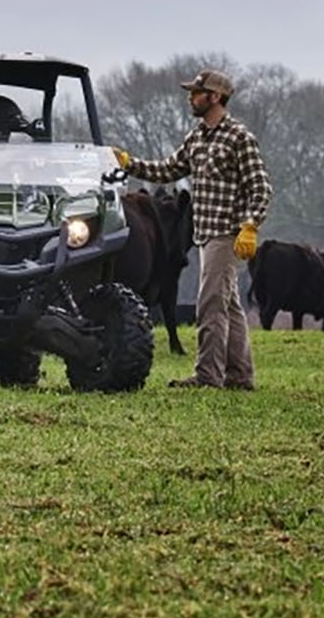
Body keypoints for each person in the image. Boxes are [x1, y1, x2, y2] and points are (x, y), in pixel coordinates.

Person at [114, 68, 272, 390]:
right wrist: (130, 163)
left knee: (210, 305)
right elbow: (168, 169)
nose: (191, 97)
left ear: (215, 97)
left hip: (227, 235)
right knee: (229, 306)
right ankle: (240, 377)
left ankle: (207, 377)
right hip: (205, 234)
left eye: (197, 93)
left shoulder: (240, 138)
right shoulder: (198, 137)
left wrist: (250, 225)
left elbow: (261, 188)